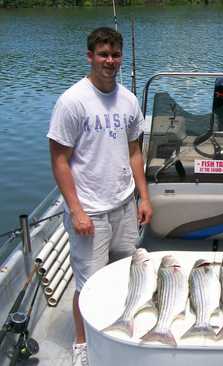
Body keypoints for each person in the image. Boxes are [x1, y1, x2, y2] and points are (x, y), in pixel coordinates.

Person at [47, 27, 152, 366]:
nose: (110, 60)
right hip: (90, 211)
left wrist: (144, 198)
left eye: (115, 54)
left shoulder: (129, 100)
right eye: (103, 54)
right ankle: (81, 344)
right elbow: (59, 160)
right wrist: (76, 210)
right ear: (90, 56)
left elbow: (135, 152)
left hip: (123, 205)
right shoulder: (72, 101)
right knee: (87, 285)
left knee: (126, 273)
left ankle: (120, 327)